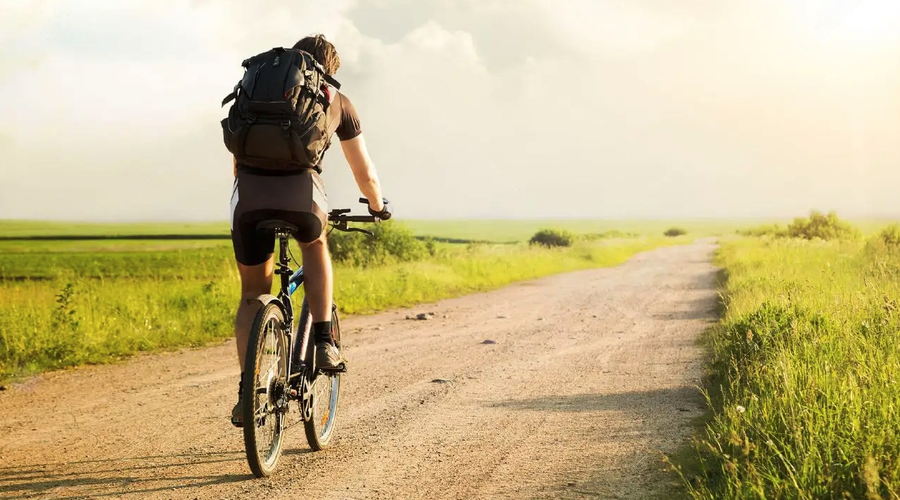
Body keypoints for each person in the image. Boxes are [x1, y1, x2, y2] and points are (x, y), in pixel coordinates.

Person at [228, 34, 391, 427]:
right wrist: (377, 206)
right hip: (303, 199)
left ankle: (248, 391)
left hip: (248, 200)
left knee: (253, 294)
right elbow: (364, 173)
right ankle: (323, 341)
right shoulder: (337, 101)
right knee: (316, 244)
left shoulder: (258, 92)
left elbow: (237, 158)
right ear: (328, 71)